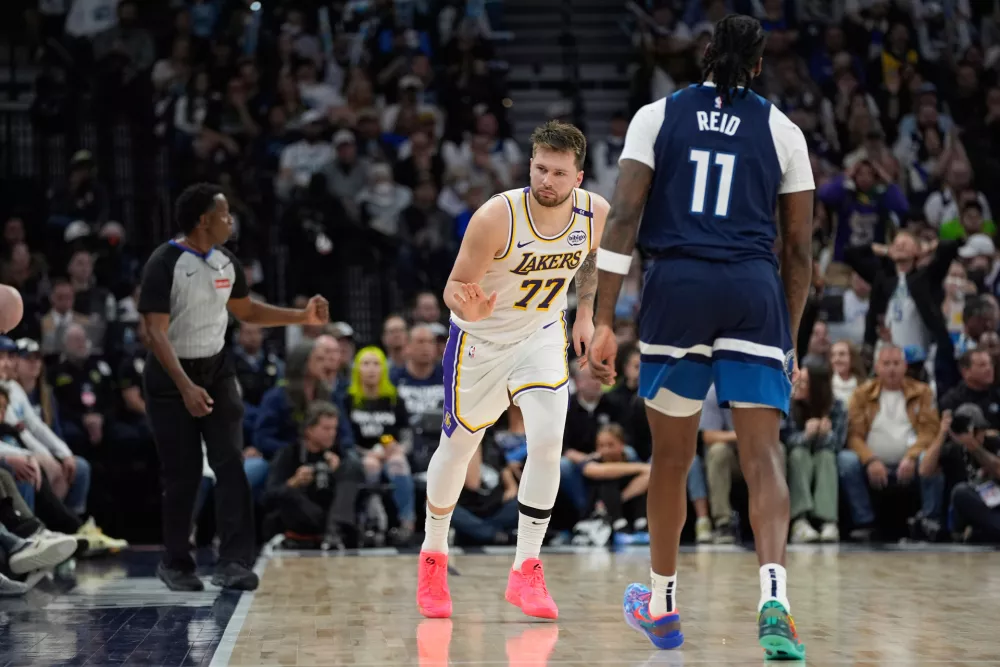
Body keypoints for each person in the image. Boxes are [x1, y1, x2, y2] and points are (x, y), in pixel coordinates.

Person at [587, 15, 814, 659]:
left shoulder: (656, 116)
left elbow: (625, 216)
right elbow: (798, 250)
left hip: (677, 289)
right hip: (751, 288)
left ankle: (661, 607)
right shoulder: (783, 129)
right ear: (760, 66)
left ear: (705, 54)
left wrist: (604, 318)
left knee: (671, 457)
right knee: (762, 455)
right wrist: (787, 338)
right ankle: (774, 600)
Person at [416, 120, 608, 620]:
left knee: (546, 444)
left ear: (579, 177)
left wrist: (585, 312)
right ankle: (433, 555)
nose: (547, 180)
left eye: (559, 173)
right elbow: (454, 286)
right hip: (480, 339)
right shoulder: (496, 216)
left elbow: (590, 263)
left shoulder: (595, 213)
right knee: (458, 449)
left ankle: (526, 569)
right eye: (540, 168)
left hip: (542, 334)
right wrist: (470, 307)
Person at [139, 183, 329, 592]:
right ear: (204, 220)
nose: (231, 221)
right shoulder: (164, 262)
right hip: (170, 378)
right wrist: (186, 386)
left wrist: (302, 317)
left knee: (231, 465)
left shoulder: (226, 261)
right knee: (184, 473)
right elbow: (154, 333)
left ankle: (233, 562)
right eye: (225, 215)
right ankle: (176, 562)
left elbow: (246, 311)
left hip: (218, 370)